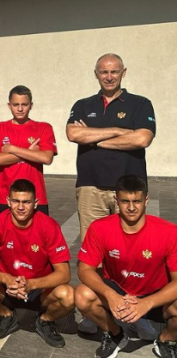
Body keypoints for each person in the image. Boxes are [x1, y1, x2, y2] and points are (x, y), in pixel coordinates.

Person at [66, 54, 157, 334]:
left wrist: (94, 138)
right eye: (103, 72)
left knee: (130, 254)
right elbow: (73, 134)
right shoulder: (83, 105)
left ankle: (134, 309)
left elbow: (142, 138)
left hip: (127, 191)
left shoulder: (140, 104)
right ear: (96, 74)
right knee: (92, 254)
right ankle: (98, 307)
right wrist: (119, 131)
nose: (109, 76)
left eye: (114, 71)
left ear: (123, 73)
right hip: (90, 188)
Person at [76, 175, 177, 358]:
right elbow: (84, 269)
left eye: (136, 201)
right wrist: (111, 295)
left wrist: (147, 303)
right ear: (116, 200)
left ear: (146, 200)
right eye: (125, 201)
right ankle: (115, 334)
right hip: (119, 293)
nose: (131, 207)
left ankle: (167, 340)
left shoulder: (169, 232)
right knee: (82, 295)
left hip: (155, 296)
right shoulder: (100, 228)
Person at [0, 179, 74, 347]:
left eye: (26, 202)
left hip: (38, 288)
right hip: (7, 287)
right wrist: (6, 279)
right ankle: (6, 315)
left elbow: (64, 273)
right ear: (8, 201)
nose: (20, 207)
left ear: (36, 203)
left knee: (68, 295)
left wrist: (31, 284)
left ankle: (45, 320)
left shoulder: (49, 226)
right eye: (16, 201)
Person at [0, 85, 57, 215]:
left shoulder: (43, 128)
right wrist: (30, 152)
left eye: (24, 104)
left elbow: (46, 158)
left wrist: (12, 149)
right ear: (9, 105)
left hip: (35, 196)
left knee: (38, 229)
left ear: (31, 105)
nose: (20, 109)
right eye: (16, 105)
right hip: (5, 196)